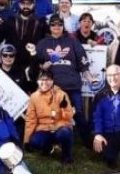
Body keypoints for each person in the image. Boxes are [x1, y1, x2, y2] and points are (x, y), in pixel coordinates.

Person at [35, 14, 93, 146]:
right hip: (53, 87)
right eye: (53, 24)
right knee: (53, 114)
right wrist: (43, 66)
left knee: (78, 113)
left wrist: (90, 78)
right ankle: (55, 142)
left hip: (72, 85)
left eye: (59, 24)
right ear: (49, 26)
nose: (56, 27)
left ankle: (89, 142)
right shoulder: (42, 43)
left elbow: (83, 63)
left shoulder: (72, 41)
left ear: (63, 26)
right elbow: (35, 64)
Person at [23, 69, 75, 165]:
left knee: (65, 133)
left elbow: (69, 117)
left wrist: (63, 109)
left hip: (60, 127)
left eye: (48, 79)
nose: (44, 82)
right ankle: (48, 148)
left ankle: (66, 156)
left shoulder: (61, 94)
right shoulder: (34, 97)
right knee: (35, 141)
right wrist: (26, 140)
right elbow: (30, 119)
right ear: (37, 81)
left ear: (52, 81)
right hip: (44, 129)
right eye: (41, 80)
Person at [3, 0, 48, 72]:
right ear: (19, 4)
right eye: (23, 3)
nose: (26, 6)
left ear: (33, 5)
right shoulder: (11, 20)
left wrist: (43, 61)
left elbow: (46, 43)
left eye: (29, 4)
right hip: (13, 63)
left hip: (33, 64)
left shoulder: (41, 22)